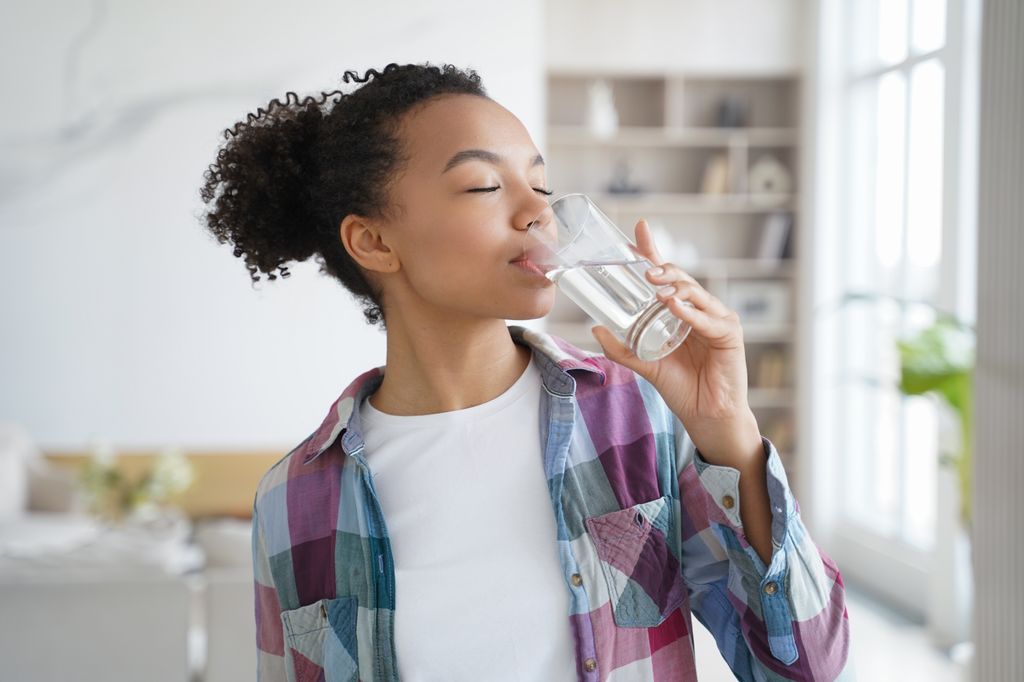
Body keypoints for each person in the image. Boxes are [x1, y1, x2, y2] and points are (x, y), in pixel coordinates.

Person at [200, 63, 851, 681]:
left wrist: (728, 430)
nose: (539, 212)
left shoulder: (638, 417)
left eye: (540, 185)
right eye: (485, 186)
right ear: (374, 242)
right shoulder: (292, 499)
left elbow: (805, 668)